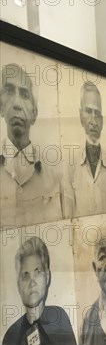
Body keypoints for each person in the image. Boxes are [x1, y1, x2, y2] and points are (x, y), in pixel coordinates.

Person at [0, 237, 79, 345]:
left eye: (38, 272)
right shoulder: (10, 337)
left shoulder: (58, 319)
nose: (32, 282)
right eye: (25, 275)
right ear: (18, 284)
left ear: (47, 277)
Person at [0, 63, 63, 228]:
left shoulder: (52, 176)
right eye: (9, 91)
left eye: (24, 94)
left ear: (34, 113)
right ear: (0, 105)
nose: (17, 104)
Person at [64, 82, 106, 218]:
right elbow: (68, 219)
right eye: (88, 111)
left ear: (102, 120)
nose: (93, 121)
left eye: (97, 113)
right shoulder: (70, 166)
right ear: (80, 116)